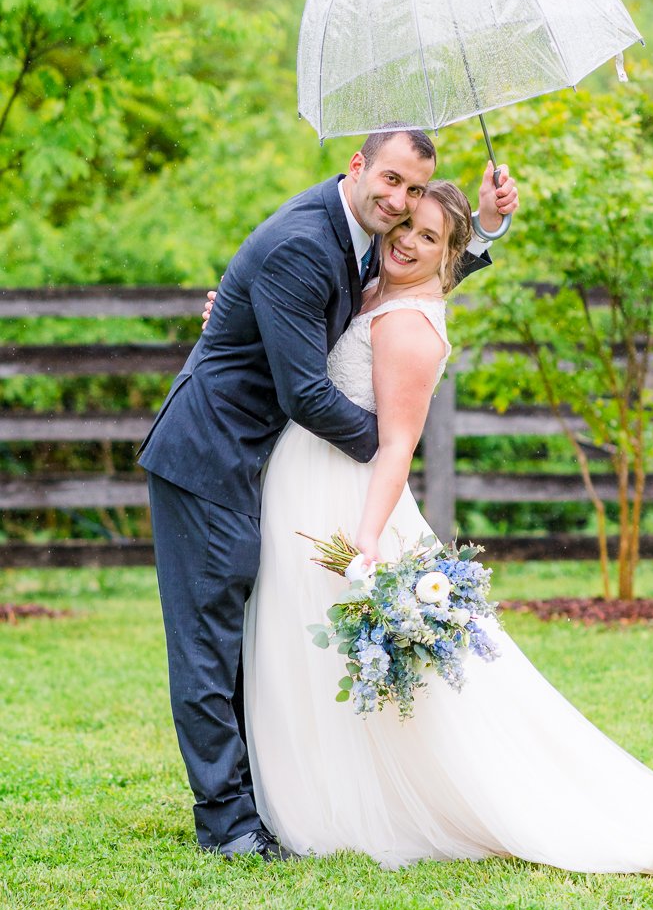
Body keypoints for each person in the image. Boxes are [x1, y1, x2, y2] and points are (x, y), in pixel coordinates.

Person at [235, 179, 653, 880]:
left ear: (448, 254)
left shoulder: (407, 322)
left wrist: (368, 542)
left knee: (354, 663)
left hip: (346, 501)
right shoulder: (381, 289)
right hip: (308, 488)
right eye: (404, 224)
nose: (406, 240)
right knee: (307, 656)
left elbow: (398, 445)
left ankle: (349, 802)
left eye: (430, 238)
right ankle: (317, 785)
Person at [139, 128, 518, 859]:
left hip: (255, 461)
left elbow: (407, 283)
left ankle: (261, 798)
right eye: (393, 183)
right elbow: (309, 393)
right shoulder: (304, 244)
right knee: (209, 643)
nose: (400, 205)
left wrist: (489, 226)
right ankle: (227, 823)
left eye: (413, 194)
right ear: (358, 165)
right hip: (208, 456)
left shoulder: (358, 235)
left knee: (250, 637)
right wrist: (390, 443)